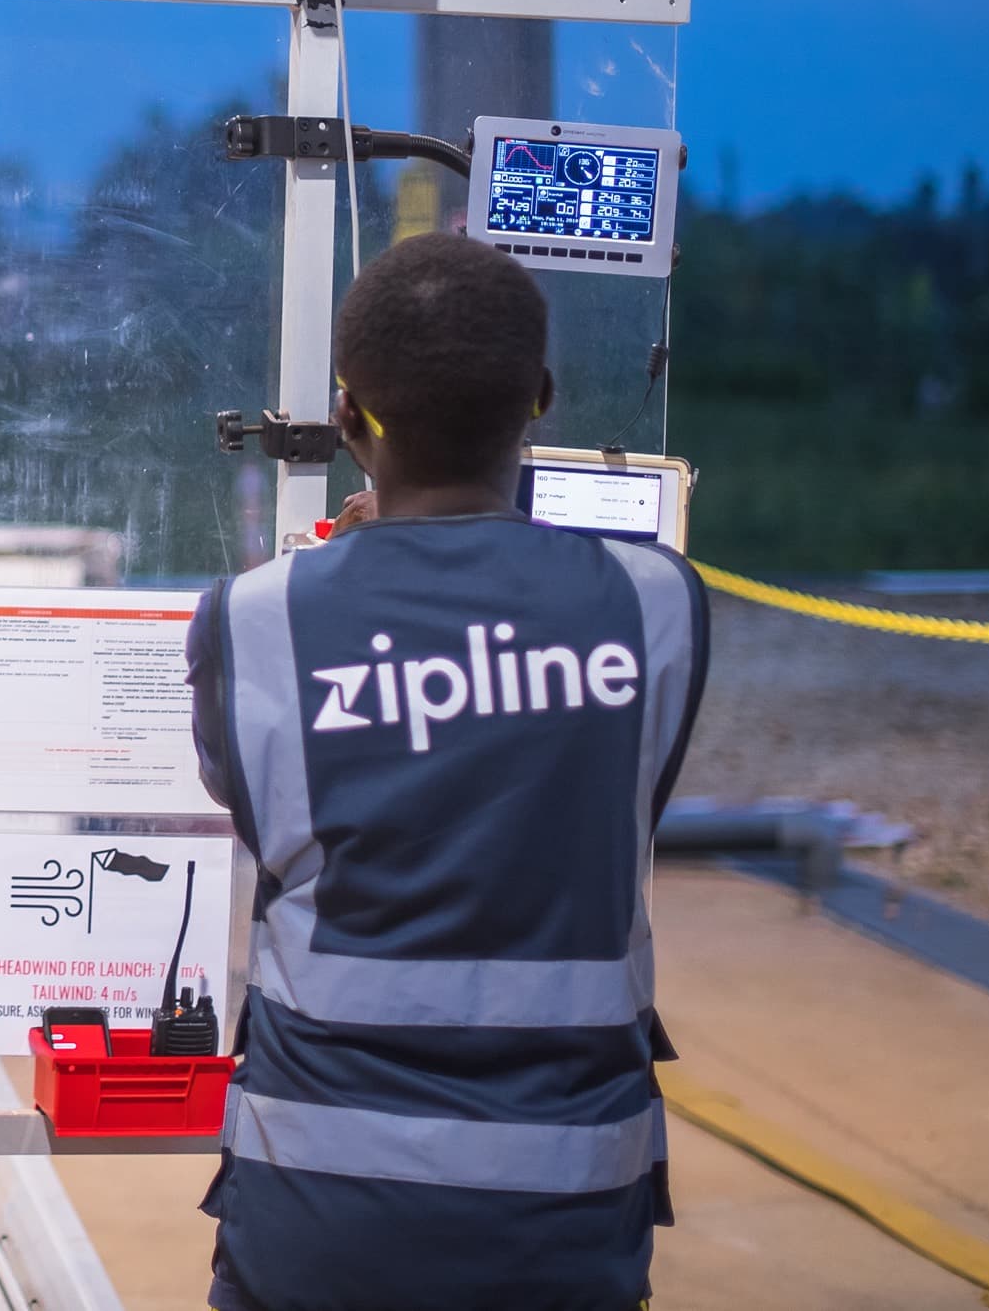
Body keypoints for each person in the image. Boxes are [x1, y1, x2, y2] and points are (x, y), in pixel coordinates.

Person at [185, 231, 708, 1311]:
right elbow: (619, 797)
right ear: (540, 398)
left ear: (346, 421)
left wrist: (365, 571)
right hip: (563, 1217)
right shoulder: (654, 603)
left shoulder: (260, 618)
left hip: (316, 1212)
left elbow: (258, 807)